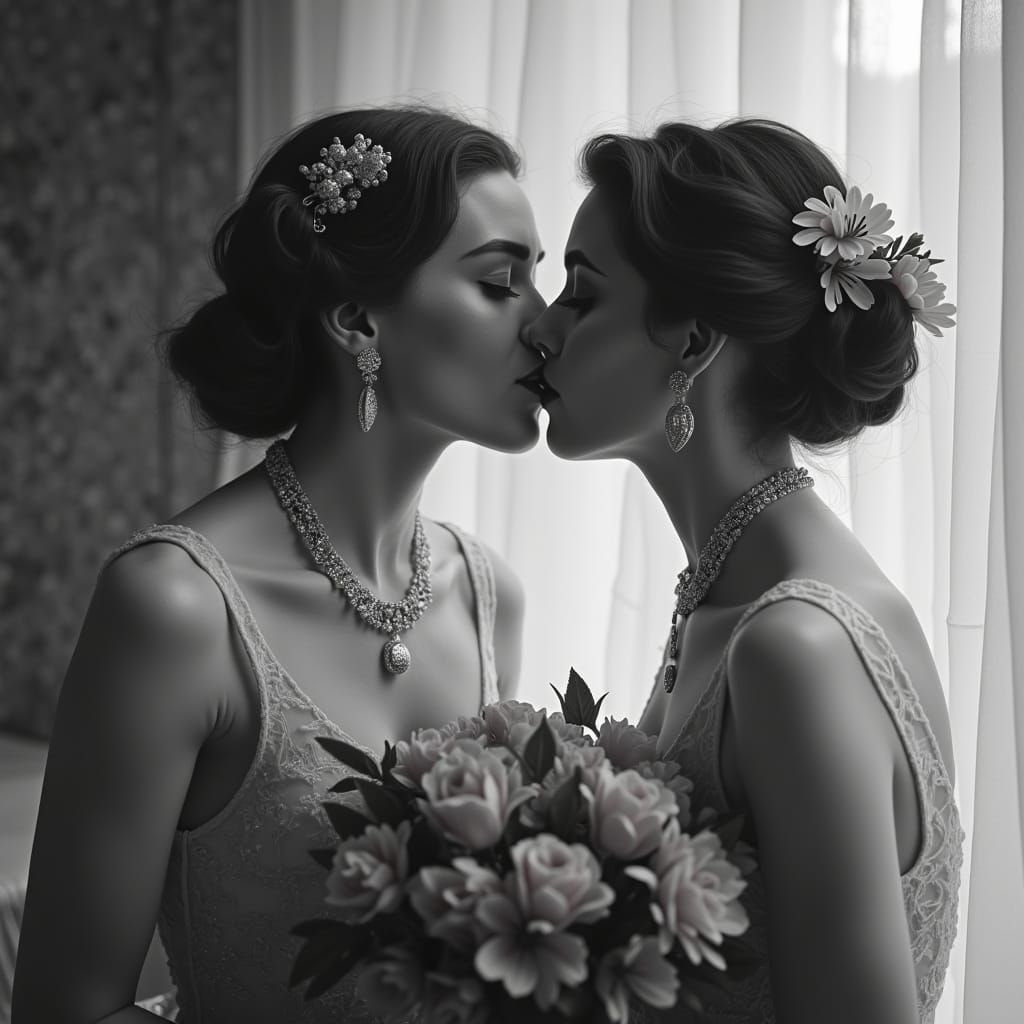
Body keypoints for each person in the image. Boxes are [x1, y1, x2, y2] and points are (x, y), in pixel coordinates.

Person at [12, 105, 546, 1024]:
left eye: (543, 280)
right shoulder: (175, 608)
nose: (548, 327)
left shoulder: (490, 595)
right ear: (356, 319)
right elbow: (65, 1010)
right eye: (502, 283)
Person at [525, 118, 963, 1024]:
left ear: (693, 342)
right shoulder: (725, 598)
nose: (540, 327)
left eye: (581, 292)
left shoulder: (796, 647)